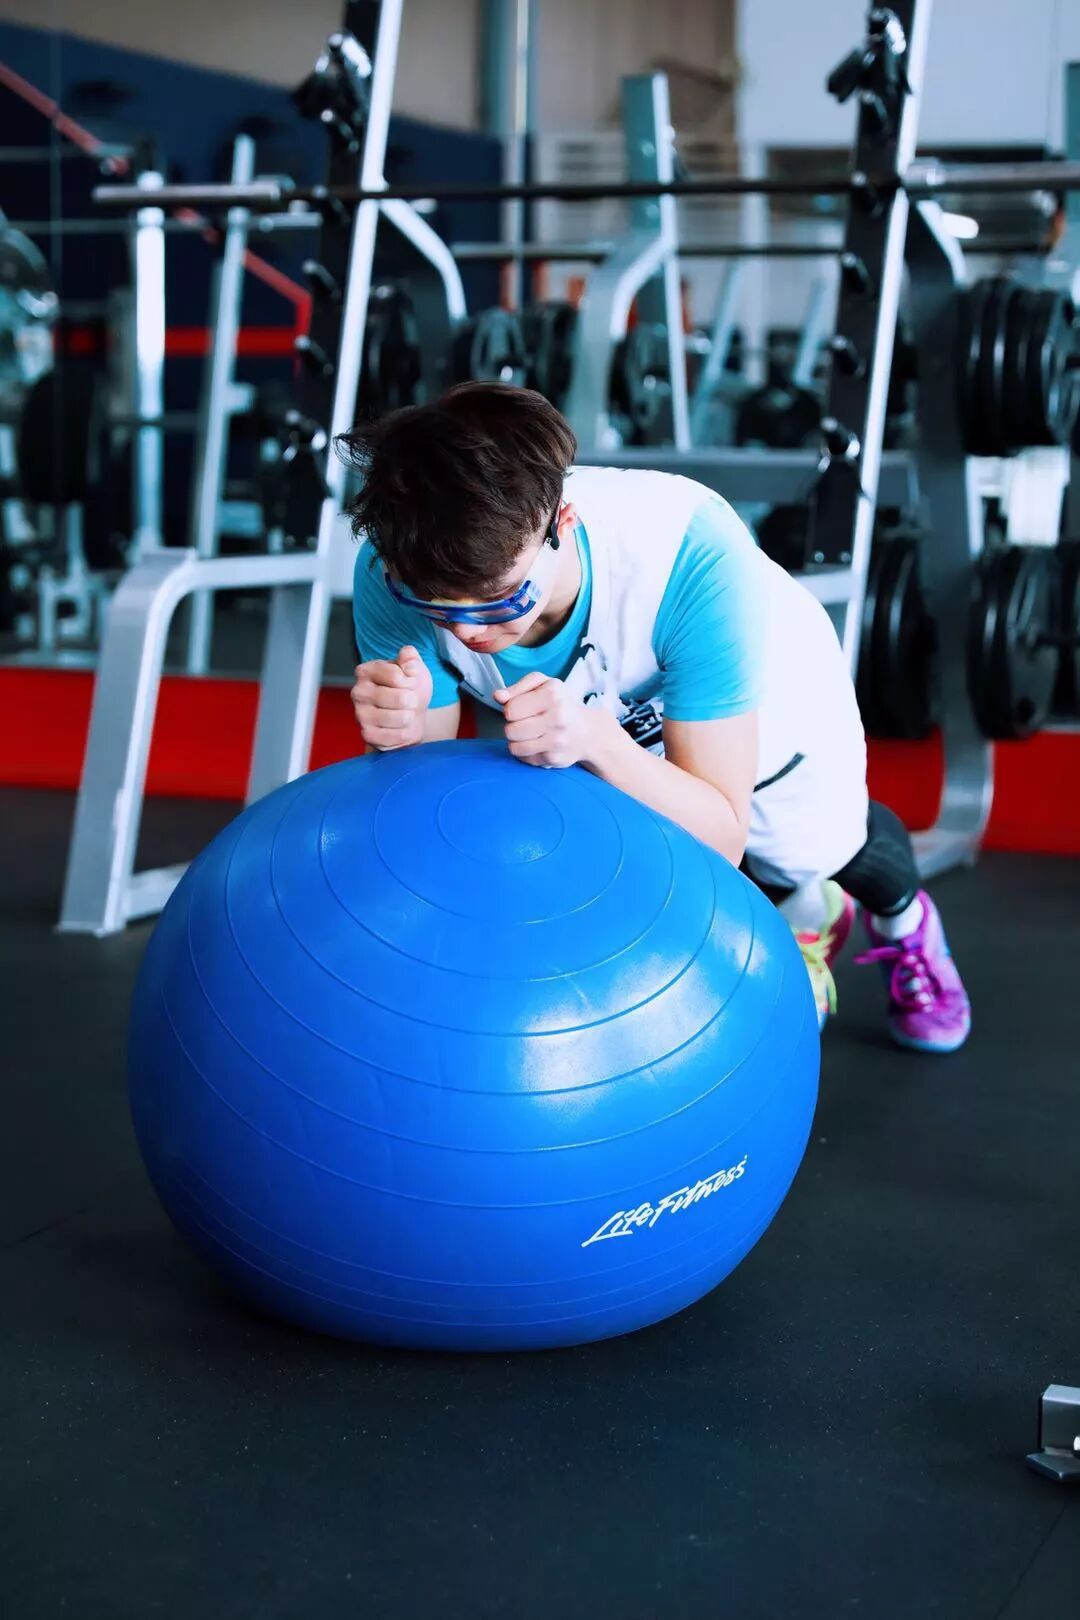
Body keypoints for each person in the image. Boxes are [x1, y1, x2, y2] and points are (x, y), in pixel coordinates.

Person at [341, 382, 970, 1053]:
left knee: (816, 851)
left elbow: (722, 836)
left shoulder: (690, 554)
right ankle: (801, 912)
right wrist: (399, 735)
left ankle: (904, 925)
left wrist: (600, 741)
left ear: (562, 522)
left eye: (499, 600)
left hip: (763, 698)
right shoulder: (397, 568)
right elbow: (429, 807)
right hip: (592, 712)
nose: (468, 633)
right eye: (440, 609)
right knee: (586, 843)